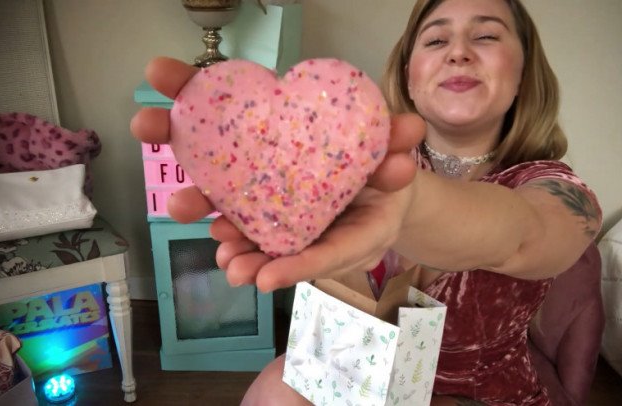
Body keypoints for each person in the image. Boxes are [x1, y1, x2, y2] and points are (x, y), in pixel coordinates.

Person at [130, 0, 602, 404]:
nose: (458, 52)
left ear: (523, 73)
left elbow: (528, 232)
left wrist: (408, 206)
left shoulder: (554, 186)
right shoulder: (339, 164)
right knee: (276, 386)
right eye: (436, 40)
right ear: (408, 73)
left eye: (486, 36)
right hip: (353, 376)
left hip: (480, 396)